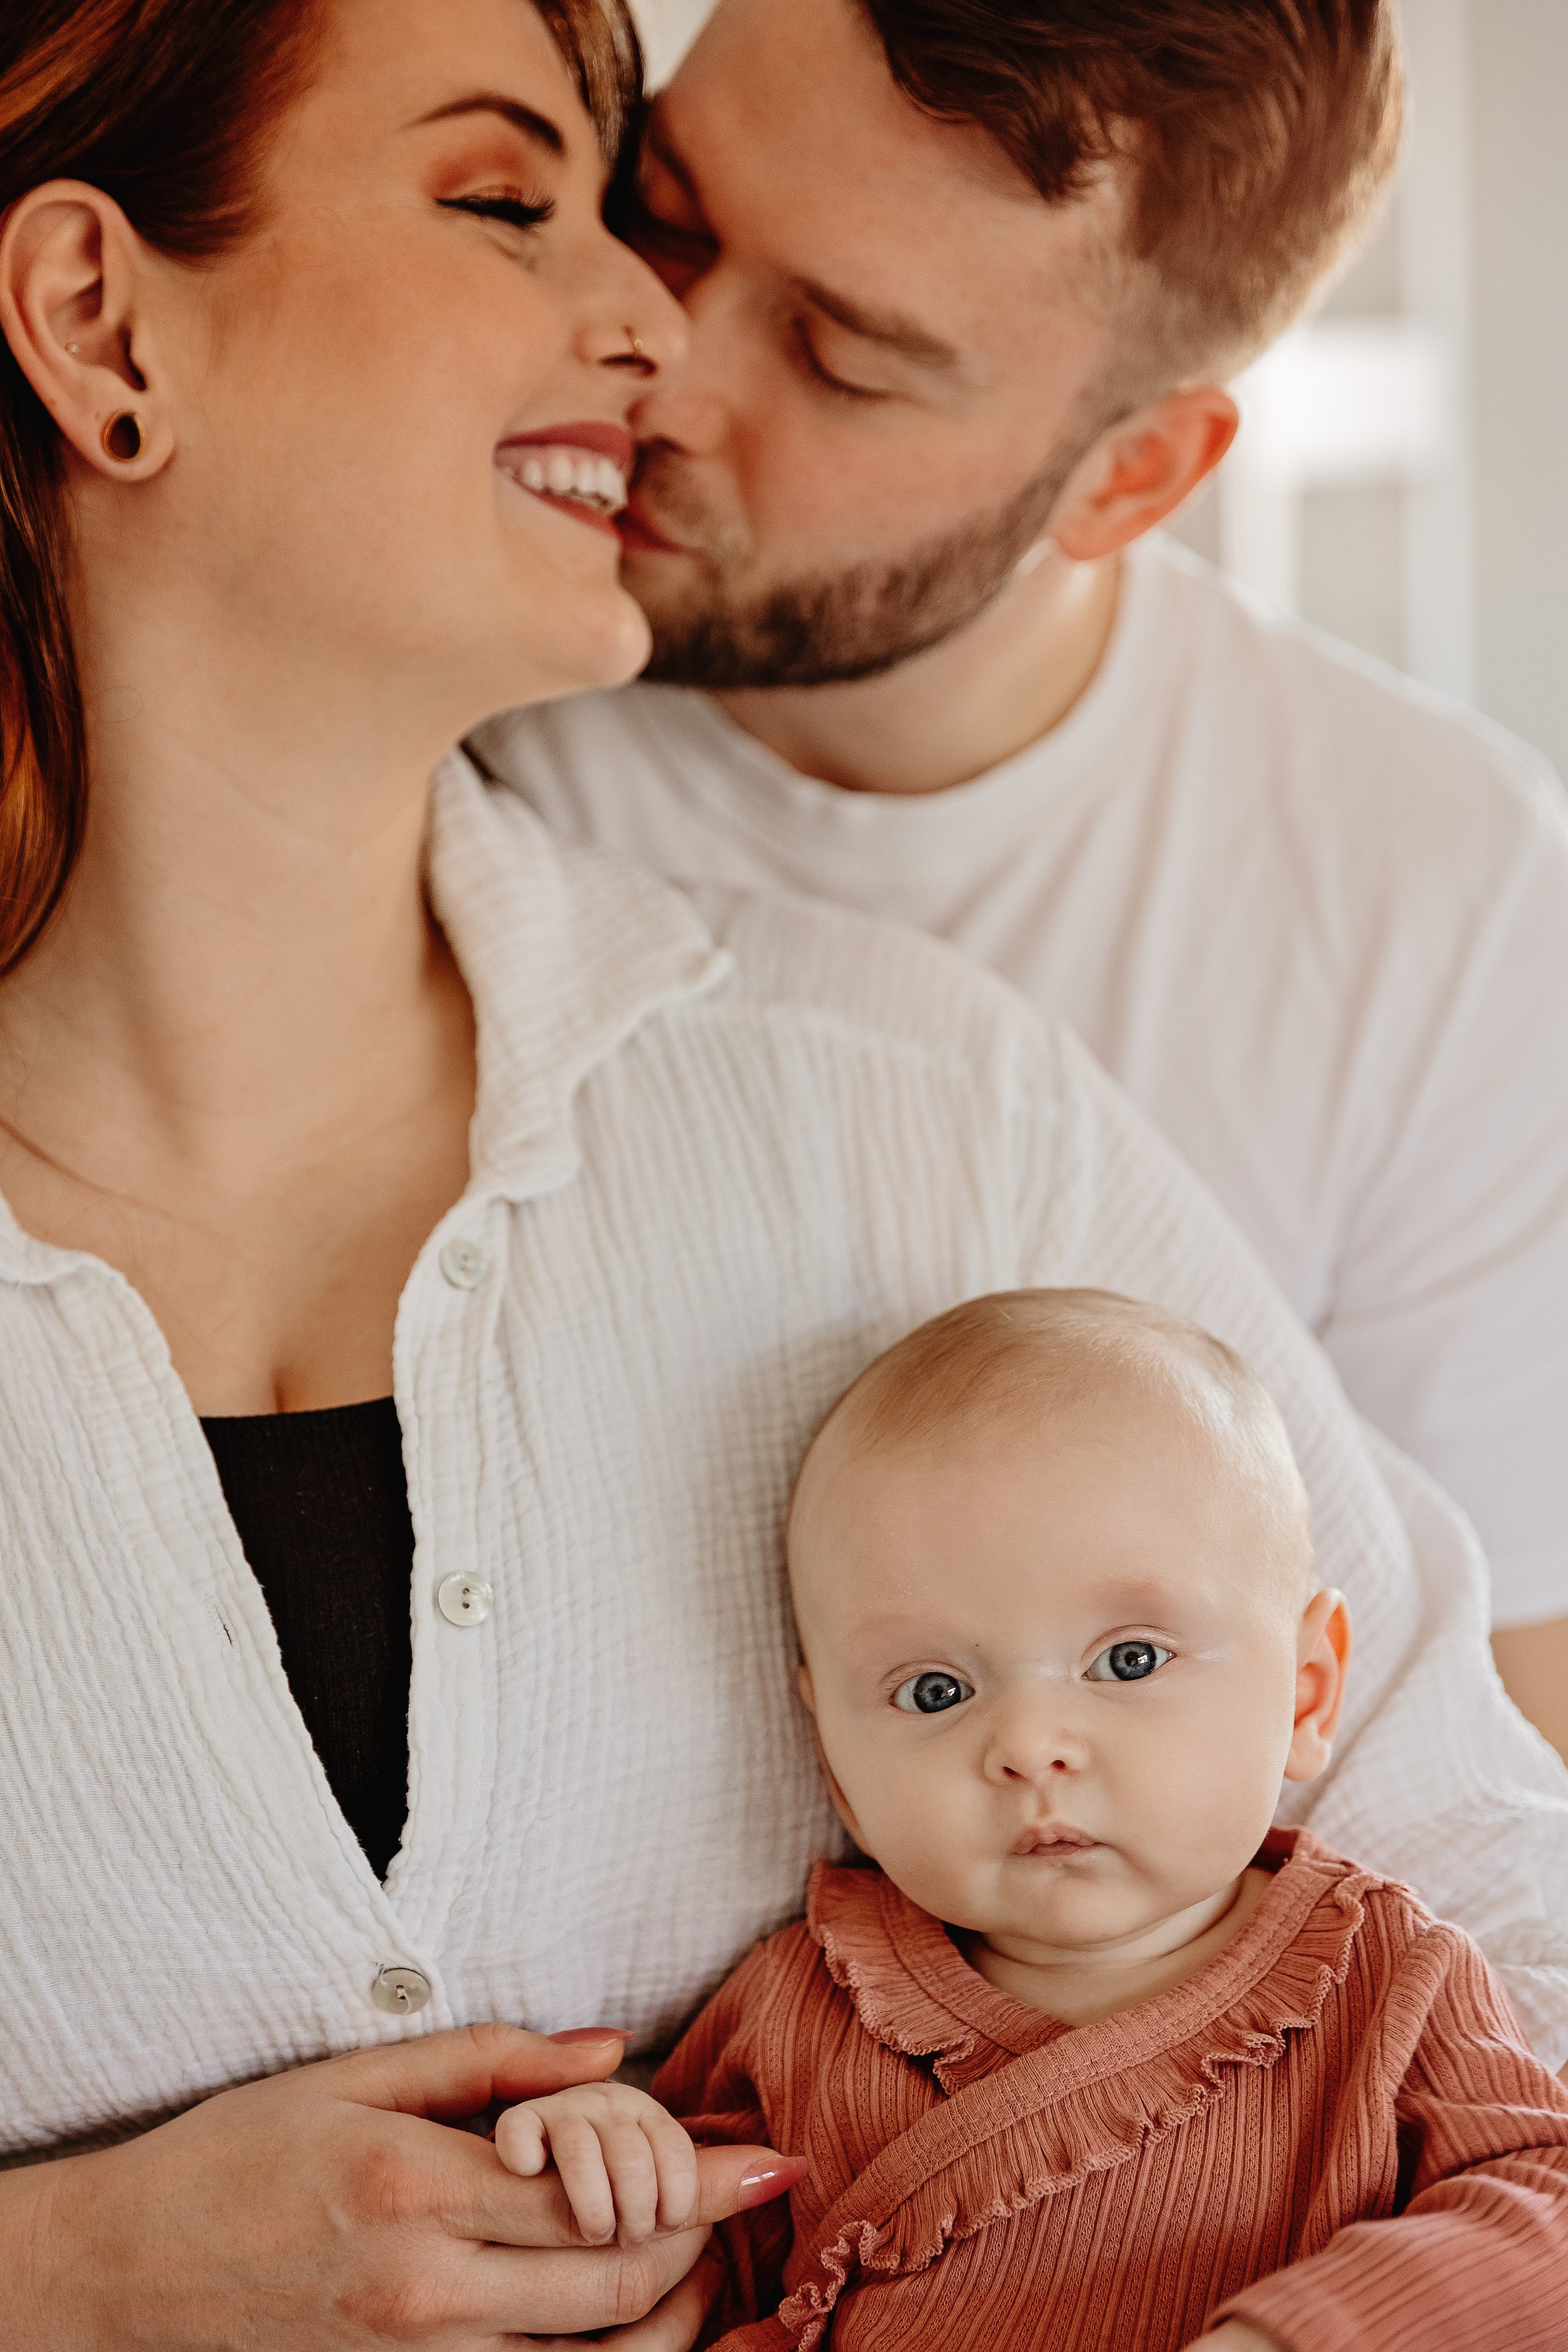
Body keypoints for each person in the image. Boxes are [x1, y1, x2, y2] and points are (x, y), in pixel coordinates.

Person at [0, 0, 1565, 2344]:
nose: (645, 327)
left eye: (841, 344)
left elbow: (1507, 1960)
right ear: (103, 322)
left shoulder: (922, 1107)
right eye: (527, 201)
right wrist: (68, 2274)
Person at [477, 0, 1568, 1762]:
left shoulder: (1440, 898)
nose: (658, 368)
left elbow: (1501, 1762)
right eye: (667, 212)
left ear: (1130, 476)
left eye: (841, 357)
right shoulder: (436, 690)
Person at [498, 1294, 1568, 2352]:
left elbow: (1543, 2216)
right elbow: (698, 2260)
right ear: (834, 1759)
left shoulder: (1388, 1976)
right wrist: (618, 2161)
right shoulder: (799, 2002)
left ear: (1305, 1694)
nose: (1029, 1744)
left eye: (1129, 1660)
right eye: (933, 1691)